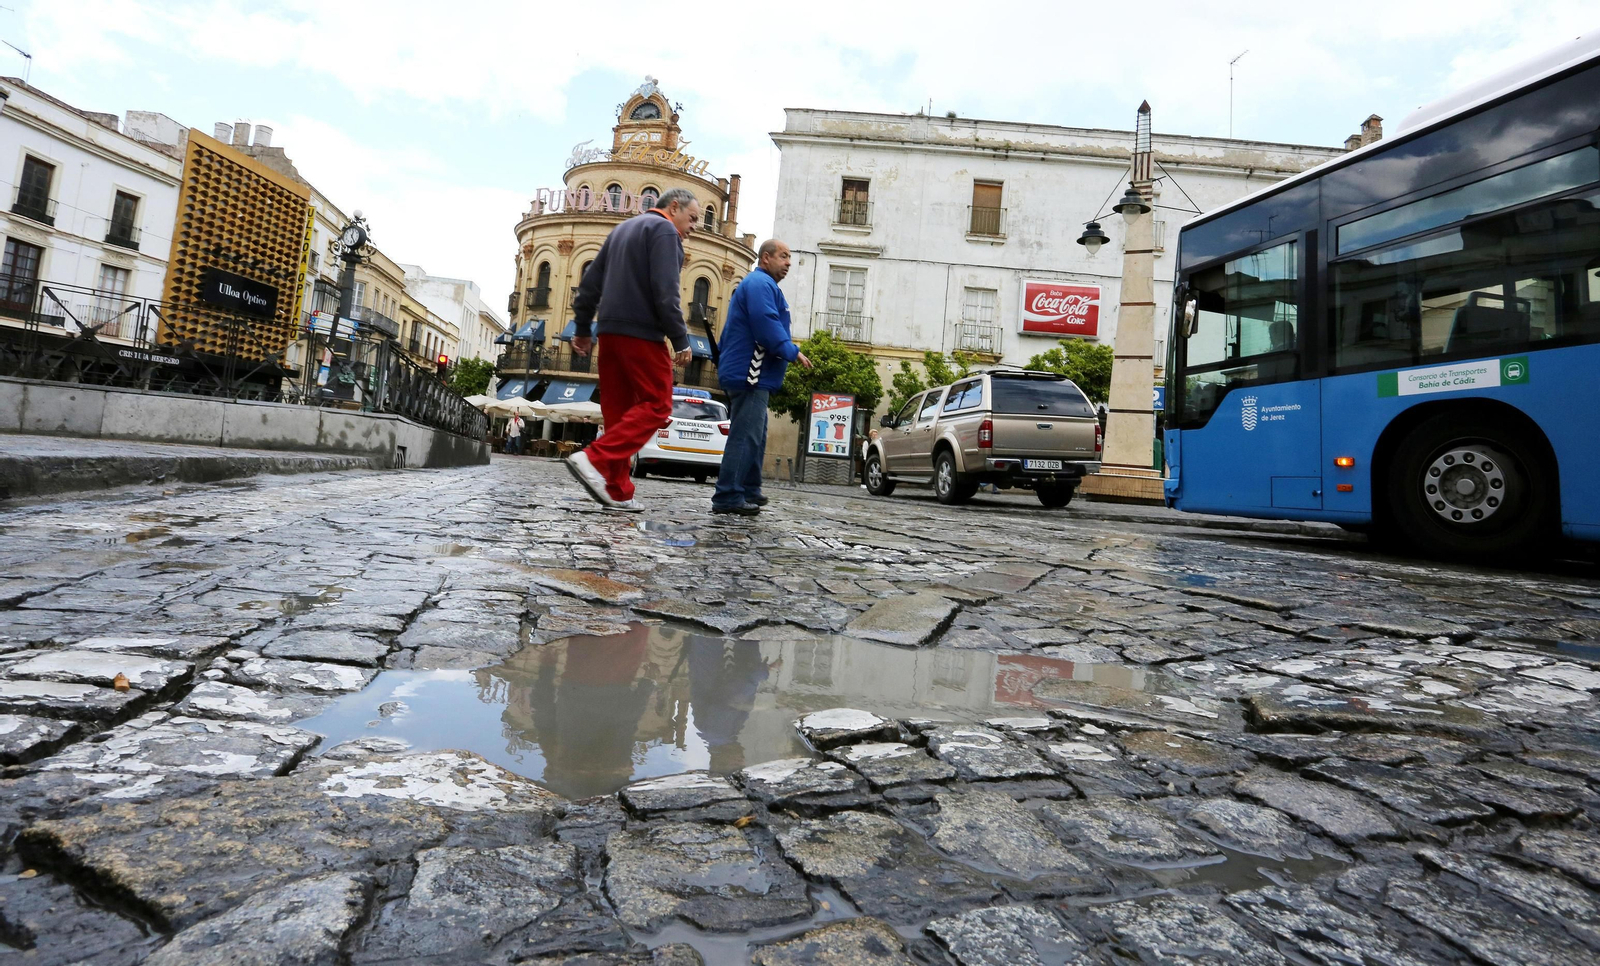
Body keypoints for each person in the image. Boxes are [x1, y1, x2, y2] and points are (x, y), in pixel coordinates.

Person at [563, 188, 700, 511]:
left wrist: (583, 330)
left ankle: (618, 489)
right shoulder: (665, 231)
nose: (694, 227)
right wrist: (680, 339)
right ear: (674, 207)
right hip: (641, 333)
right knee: (657, 404)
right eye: (692, 218)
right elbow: (666, 292)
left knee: (619, 416)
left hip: (609, 333)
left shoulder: (621, 230)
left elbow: (589, 285)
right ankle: (593, 458)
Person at [711, 239, 812, 515]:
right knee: (745, 435)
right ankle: (728, 494)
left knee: (755, 434)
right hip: (750, 373)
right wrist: (792, 351)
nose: (788, 262)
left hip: (751, 373)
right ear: (765, 258)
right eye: (783, 256)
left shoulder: (763, 285)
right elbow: (766, 323)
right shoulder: (760, 285)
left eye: (790, 257)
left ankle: (749, 489)